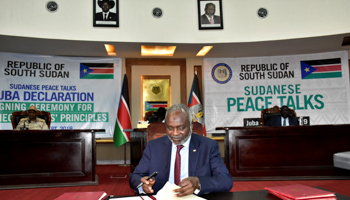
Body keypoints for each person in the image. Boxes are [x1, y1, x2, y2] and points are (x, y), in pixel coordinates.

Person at [129, 104, 233, 197]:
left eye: (180, 128)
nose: (175, 133)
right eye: (170, 128)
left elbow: (225, 180)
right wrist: (143, 185)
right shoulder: (154, 146)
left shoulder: (208, 146)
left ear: (190, 125)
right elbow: (136, 176)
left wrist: (198, 182)